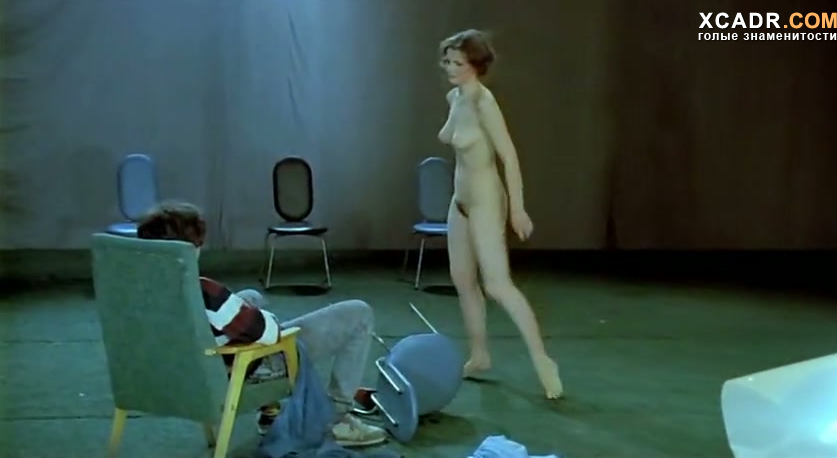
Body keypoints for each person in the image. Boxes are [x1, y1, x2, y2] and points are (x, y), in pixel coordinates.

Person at [136, 200, 387, 447]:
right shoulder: (204, 293)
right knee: (358, 312)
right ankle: (337, 418)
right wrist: (265, 320)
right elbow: (269, 333)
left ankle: (271, 412)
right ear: (190, 248)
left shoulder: (142, 290)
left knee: (251, 297)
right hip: (242, 370)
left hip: (190, 372)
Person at [437, 29, 563, 399]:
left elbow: (509, 156)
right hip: (460, 200)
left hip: (486, 201)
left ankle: (542, 360)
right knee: (462, 278)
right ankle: (479, 355)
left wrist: (518, 209)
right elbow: (453, 137)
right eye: (447, 61)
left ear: (475, 66)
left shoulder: (484, 104)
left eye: (458, 63)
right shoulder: (455, 97)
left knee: (497, 284)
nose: (450, 68)